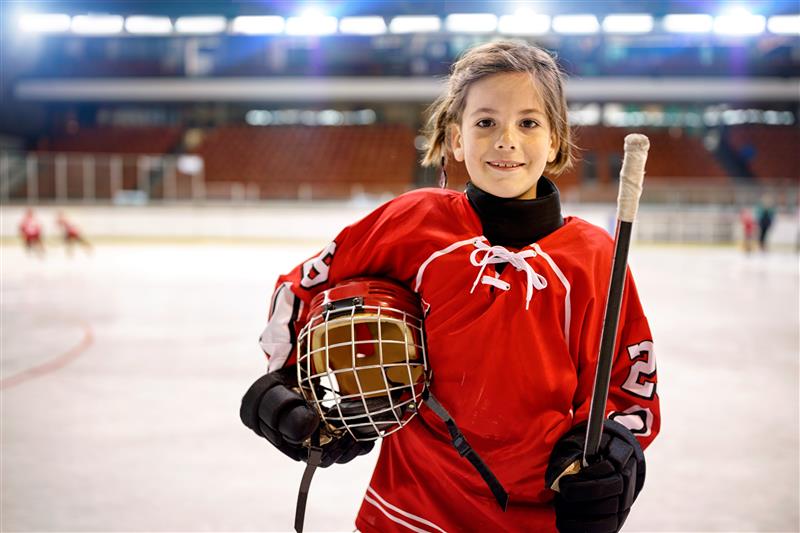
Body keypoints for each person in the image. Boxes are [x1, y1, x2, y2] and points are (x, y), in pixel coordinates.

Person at [240, 41, 660, 532]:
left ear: (555, 142)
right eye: (485, 122)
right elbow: (302, 289)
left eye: (528, 123)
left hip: (537, 515)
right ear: (456, 140)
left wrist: (614, 448)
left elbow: (629, 389)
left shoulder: (596, 258)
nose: (506, 140)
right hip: (412, 508)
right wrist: (286, 383)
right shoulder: (414, 222)